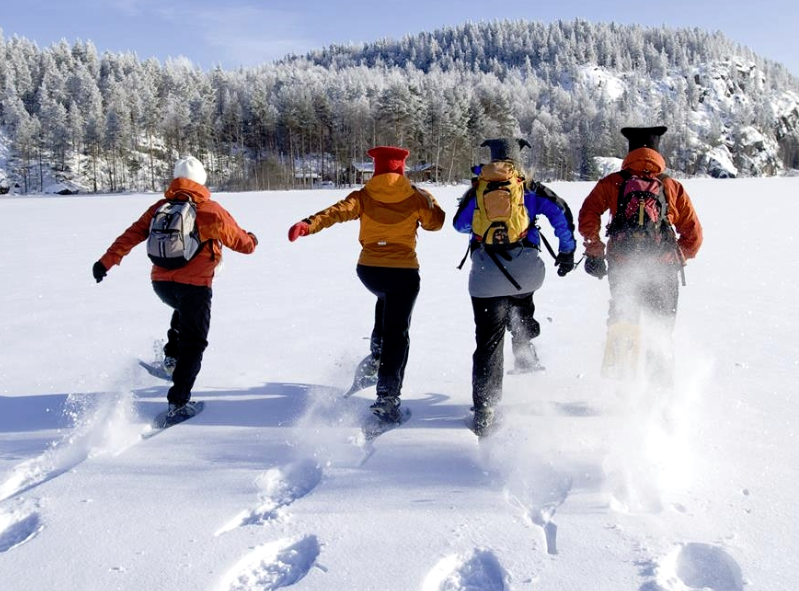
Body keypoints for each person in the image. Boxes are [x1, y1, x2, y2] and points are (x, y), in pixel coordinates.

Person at [92, 155, 257, 422]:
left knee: (182, 311)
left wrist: (105, 262)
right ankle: (179, 402)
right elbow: (244, 245)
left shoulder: (161, 207)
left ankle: (170, 358)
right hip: (195, 286)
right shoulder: (210, 210)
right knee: (194, 341)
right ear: (201, 181)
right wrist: (252, 238)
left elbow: (132, 234)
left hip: (161, 284)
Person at [287, 146, 445, 424]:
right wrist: (428, 197)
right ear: (401, 169)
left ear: (376, 170)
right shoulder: (415, 196)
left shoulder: (363, 195)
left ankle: (376, 354)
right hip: (403, 272)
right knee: (398, 332)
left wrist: (307, 224)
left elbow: (336, 212)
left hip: (369, 271)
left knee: (385, 298)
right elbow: (436, 223)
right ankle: (387, 397)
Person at [453, 137, 578, 435]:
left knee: (488, 341)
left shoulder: (478, 190)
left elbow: (459, 225)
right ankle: (523, 342)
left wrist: (483, 222)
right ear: (518, 162)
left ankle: (485, 408)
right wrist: (566, 252)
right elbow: (561, 214)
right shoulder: (529, 189)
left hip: (486, 276)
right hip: (526, 272)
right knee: (521, 300)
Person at [577, 126, 703, 383]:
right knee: (660, 335)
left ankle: (624, 394)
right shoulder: (671, 186)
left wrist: (595, 248)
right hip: (663, 272)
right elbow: (694, 234)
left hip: (623, 268)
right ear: (657, 152)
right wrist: (677, 255)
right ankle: (659, 399)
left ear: (629, 152)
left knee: (624, 328)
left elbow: (588, 213)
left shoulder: (613, 183)